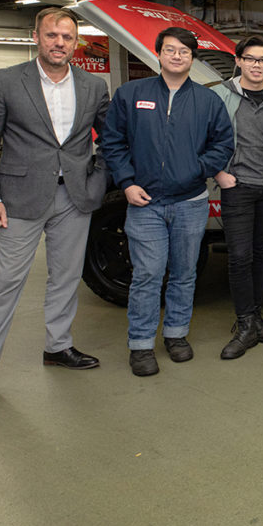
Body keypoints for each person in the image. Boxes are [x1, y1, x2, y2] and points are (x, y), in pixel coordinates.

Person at [0, 7, 110, 410]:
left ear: (76, 42)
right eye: (52, 35)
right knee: (5, 285)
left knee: (66, 278)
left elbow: (112, 139)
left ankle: (58, 346)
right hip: (18, 199)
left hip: (74, 196)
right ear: (36, 36)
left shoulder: (93, 86)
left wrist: (98, 179)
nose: (59, 43)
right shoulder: (5, 82)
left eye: (67, 37)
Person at [102, 27, 233, 377]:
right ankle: (141, 344)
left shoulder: (209, 101)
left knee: (184, 273)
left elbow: (223, 144)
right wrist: (127, 183)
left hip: (191, 202)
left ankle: (176, 335)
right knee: (147, 274)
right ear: (158, 54)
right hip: (144, 203)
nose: (177, 56)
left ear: (193, 58)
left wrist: (197, 169)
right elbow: (112, 143)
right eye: (171, 50)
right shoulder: (131, 94)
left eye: (184, 51)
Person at [214, 35, 263, 360]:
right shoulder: (220, 96)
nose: (258, 65)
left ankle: (255, 316)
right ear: (238, 60)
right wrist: (218, 174)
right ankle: (243, 325)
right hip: (237, 187)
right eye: (251, 59)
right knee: (239, 257)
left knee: (261, 252)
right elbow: (205, 139)